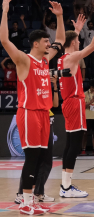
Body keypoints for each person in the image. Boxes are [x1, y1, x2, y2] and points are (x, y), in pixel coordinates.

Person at [0, 0, 66, 215]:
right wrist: (5, 12)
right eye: (46, 41)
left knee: (40, 158)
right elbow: (4, 41)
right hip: (28, 113)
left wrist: (59, 16)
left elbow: (62, 41)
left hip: (43, 115)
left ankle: (32, 199)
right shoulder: (24, 60)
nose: (50, 44)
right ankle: (26, 202)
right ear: (36, 43)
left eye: (50, 42)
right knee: (32, 158)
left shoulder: (45, 61)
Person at [57, 5, 94, 198]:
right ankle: (67, 188)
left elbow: (71, 42)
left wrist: (76, 30)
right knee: (75, 146)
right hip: (75, 102)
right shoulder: (72, 57)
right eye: (78, 39)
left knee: (70, 145)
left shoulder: (62, 58)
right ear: (73, 42)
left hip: (68, 103)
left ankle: (65, 185)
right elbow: (93, 46)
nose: (79, 41)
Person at [15, 74, 59, 204]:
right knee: (32, 159)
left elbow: (55, 104)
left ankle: (39, 192)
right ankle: (21, 193)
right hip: (35, 118)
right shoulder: (33, 84)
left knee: (46, 161)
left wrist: (55, 85)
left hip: (47, 121)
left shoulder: (46, 86)